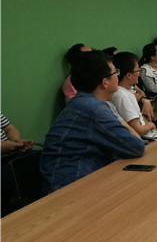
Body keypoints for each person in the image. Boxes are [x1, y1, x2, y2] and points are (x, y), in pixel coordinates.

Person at [40, 50, 145, 193]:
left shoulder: (88, 102)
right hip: (69, 189)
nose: (118, 76)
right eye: (115, 72)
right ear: (104, 82)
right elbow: (136, 147)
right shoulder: (94, 109)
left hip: (82, 179)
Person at [111, 52, 157, 138]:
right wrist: (151, 125)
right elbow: (139, 130)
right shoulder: (122, 96)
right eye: (137, 70)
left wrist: (145, 101)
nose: (139, 73)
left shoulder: (126, 91)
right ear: (129, 75)